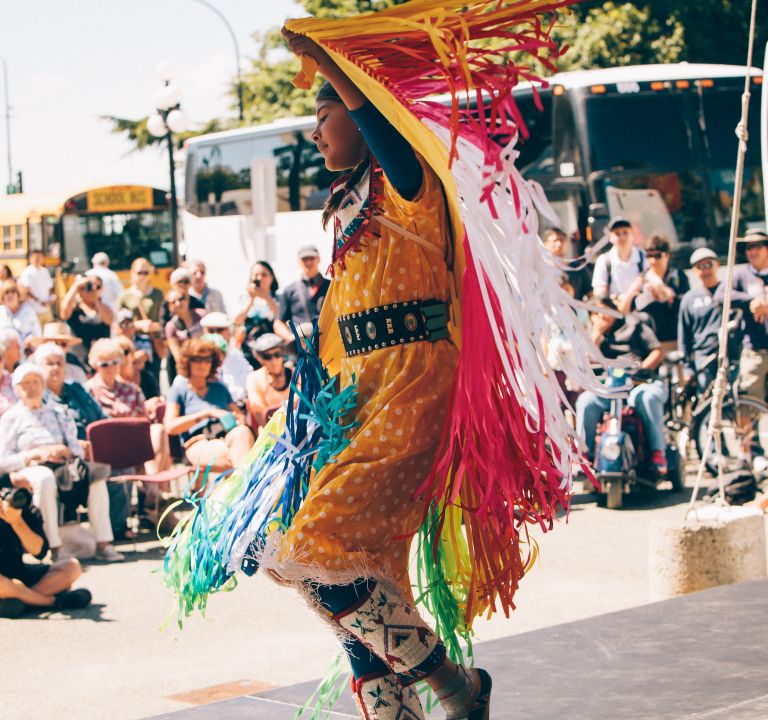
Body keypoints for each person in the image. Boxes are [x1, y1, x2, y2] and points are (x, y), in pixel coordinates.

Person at [237, 30, 485, 719]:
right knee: (347, 578)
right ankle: (404, 707)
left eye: (323, 114)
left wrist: (331, 62)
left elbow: (379, 122)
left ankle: (451, 685)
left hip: (410, 388)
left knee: (316, 552)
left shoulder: (408, 183)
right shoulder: (349, 206)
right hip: (357, 401)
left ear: (359, 108)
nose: (315, 133)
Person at [0, 363, 123, 562]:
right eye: (26, 383)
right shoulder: (10, 418)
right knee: (45, 479)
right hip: (30, 467)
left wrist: (64, 450)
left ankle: (103, 543)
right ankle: (54, 547)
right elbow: (3, 460)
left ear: (42, 385)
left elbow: (76, 447)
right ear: (17, 388)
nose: (31, 387)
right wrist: (32, 455)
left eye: (36, 382)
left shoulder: (57, 412)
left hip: (64, 465)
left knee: (96, 478)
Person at [576, 296, 667, 473]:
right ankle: (584, 455)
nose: (601, 316)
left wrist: (641, 369)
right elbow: (587, 362)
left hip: (639, 382)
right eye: (595, 314)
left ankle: (658, 452)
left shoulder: (634, 324)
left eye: (603, 312)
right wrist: (597, 333)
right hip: (610, 386)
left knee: (648, 398)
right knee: (586, 401)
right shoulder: (595, 335)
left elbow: (657, 352)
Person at [164, 337, 253, 474]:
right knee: (242, 458)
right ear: (187, 362)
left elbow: (240, 417)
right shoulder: (179, 390)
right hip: (198, 441)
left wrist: (236, 418)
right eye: (197, 359)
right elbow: (170, 426)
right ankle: (246, 489)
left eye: (207, 360)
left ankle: (241, 485)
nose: (203, 364)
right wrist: (206, 414)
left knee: (243, 433)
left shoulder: (220, 388)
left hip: (226, 436)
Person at [0, 491, 91, 618]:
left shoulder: (16, 504)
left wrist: (16, 522)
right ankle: (53, 602)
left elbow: (39, 552)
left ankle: (20, 601)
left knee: (72, 567)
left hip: (17, 572)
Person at [86, 339, 170, 475]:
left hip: (133, 443)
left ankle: (153, 483)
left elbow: (144, 420)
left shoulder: (132, 389)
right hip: (107, 446)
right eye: (105, 364)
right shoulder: (87, 392)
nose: (111, 368)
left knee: (158, 430)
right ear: (95, 365)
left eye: (115, 362)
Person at [678, 248, 747, 393]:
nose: (705, 270)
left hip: (732, 356)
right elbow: (684, 336)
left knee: (736, 399)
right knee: (706, 402)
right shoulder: (689, 299)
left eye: (708, 264)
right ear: (694, 270)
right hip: (704, 358)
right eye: (700, 266)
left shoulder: (730, 292)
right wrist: (687, 368)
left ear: (717, 265)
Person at [623, 234, 690, 344]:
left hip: (675, 337)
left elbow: (687, 307)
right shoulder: (641, 279)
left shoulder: (678, 276)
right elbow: (629, 311)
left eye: (658, 256)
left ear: (667, 256)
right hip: (650, 341)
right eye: (649, 255)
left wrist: (666, 294)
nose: (653, 260)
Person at [732, 228, 768, 400]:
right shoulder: (741, 274)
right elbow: (721, 296)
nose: (753, 252)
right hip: (754, 348)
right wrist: (751, 300)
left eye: (757, 246)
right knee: (748, 400)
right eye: (748, 247)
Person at [116, 258, 165, 380]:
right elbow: (117, 323)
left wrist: (153, 326)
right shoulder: (125, 296)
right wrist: (138, 325)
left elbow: (163, 319)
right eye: (139, 272)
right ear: (132, 273)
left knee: (152, 378)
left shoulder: (157, 294)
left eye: (146, 272)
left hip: (152, 341)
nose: (143, 276)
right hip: (131, 341)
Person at [274, 246, 330, 343]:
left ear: (318, 259)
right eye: (304, 259)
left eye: (312, 258)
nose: (308, 262)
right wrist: (292, 338)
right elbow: (278, 323)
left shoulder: (331, 287)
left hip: (329, 342)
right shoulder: (290, 290)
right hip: (302, 348)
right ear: (299, 261)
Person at [233, 260, 281, 369]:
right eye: (256, 275)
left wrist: (267, 298)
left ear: (272, 277)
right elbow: (236, 320)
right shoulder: (243, 298)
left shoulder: (279, 299)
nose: (260, 278)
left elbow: (282, 317)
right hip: (248, 355)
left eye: (264, 275)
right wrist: (251, 299)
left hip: (272, 355)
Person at [591, 217, 648, 303]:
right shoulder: (603, 261)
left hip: (641, 310)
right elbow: (599, 292)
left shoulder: (643, 256)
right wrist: (613, 300)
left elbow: (651, 281)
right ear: (610, 237)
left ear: (632, 234)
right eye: (617, 233)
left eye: (625, 232)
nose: (622, 237)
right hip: (615, 311)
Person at [245, 333, 294, 428]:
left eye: (277, 354)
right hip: (271, 433)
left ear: (283, 354)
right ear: (260, 358)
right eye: (267, 357)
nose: (274, 360)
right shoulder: (254, 378)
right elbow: (262, 416)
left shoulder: (296, 375)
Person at [200, 312, 251, 402]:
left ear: (229, 331)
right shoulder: (196, 360)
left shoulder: (238, 358)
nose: (215, 334)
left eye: (220, 330)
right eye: (211, 331)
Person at [60, 272, 114, 355]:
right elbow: (64, 312)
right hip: (79, 356)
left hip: (101, 355)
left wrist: (95, 299)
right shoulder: (74, 309)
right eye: (89, 286)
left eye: (98, 287)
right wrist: (76, 285)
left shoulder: (104, 307)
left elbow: (109, 320)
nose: (93, 289)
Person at [542, 227, 590, 300]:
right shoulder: (540, 269)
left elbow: (590, 294)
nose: (559, 244)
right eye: (555, 240)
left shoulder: (578, 268)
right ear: (545, 244)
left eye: (562, 240)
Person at [0, 279, 41, 347]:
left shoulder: (29, 310)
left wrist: (32, 339)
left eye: (13, 292)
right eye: (6, 293)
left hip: (27, 352)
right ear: (3, 297)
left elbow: (37, 333)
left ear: (18, 295)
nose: (10, 294)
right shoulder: (1, 311)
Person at [18, 250, 54, 326]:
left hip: (46, 309)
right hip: (33, 309)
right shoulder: (27, 272)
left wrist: (48, 300)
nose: (37, 259)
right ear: (30, 259)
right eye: (35, 257)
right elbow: (26, 291)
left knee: (49, 331)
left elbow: (50, 287)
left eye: (40, 257)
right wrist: (40, 301)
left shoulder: (45, 271)